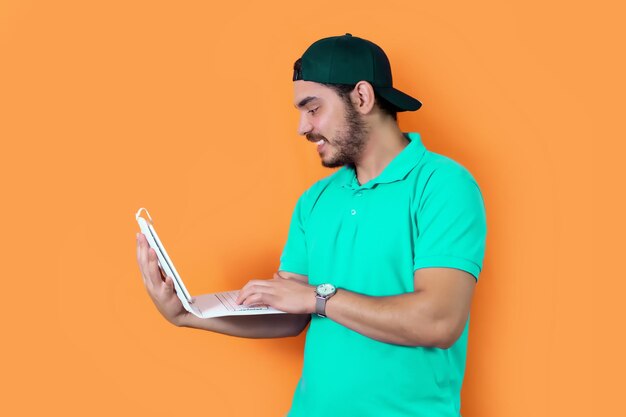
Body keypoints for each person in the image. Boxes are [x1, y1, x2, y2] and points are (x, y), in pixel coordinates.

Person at [136, 33, 487, 417]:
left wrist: (319, 298)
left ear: (362, 97)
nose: (303, 128)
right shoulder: (315, 200)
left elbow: (438, 320)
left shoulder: (443, 185)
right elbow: (291, 313)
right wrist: (187, 314)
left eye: (312, 108)